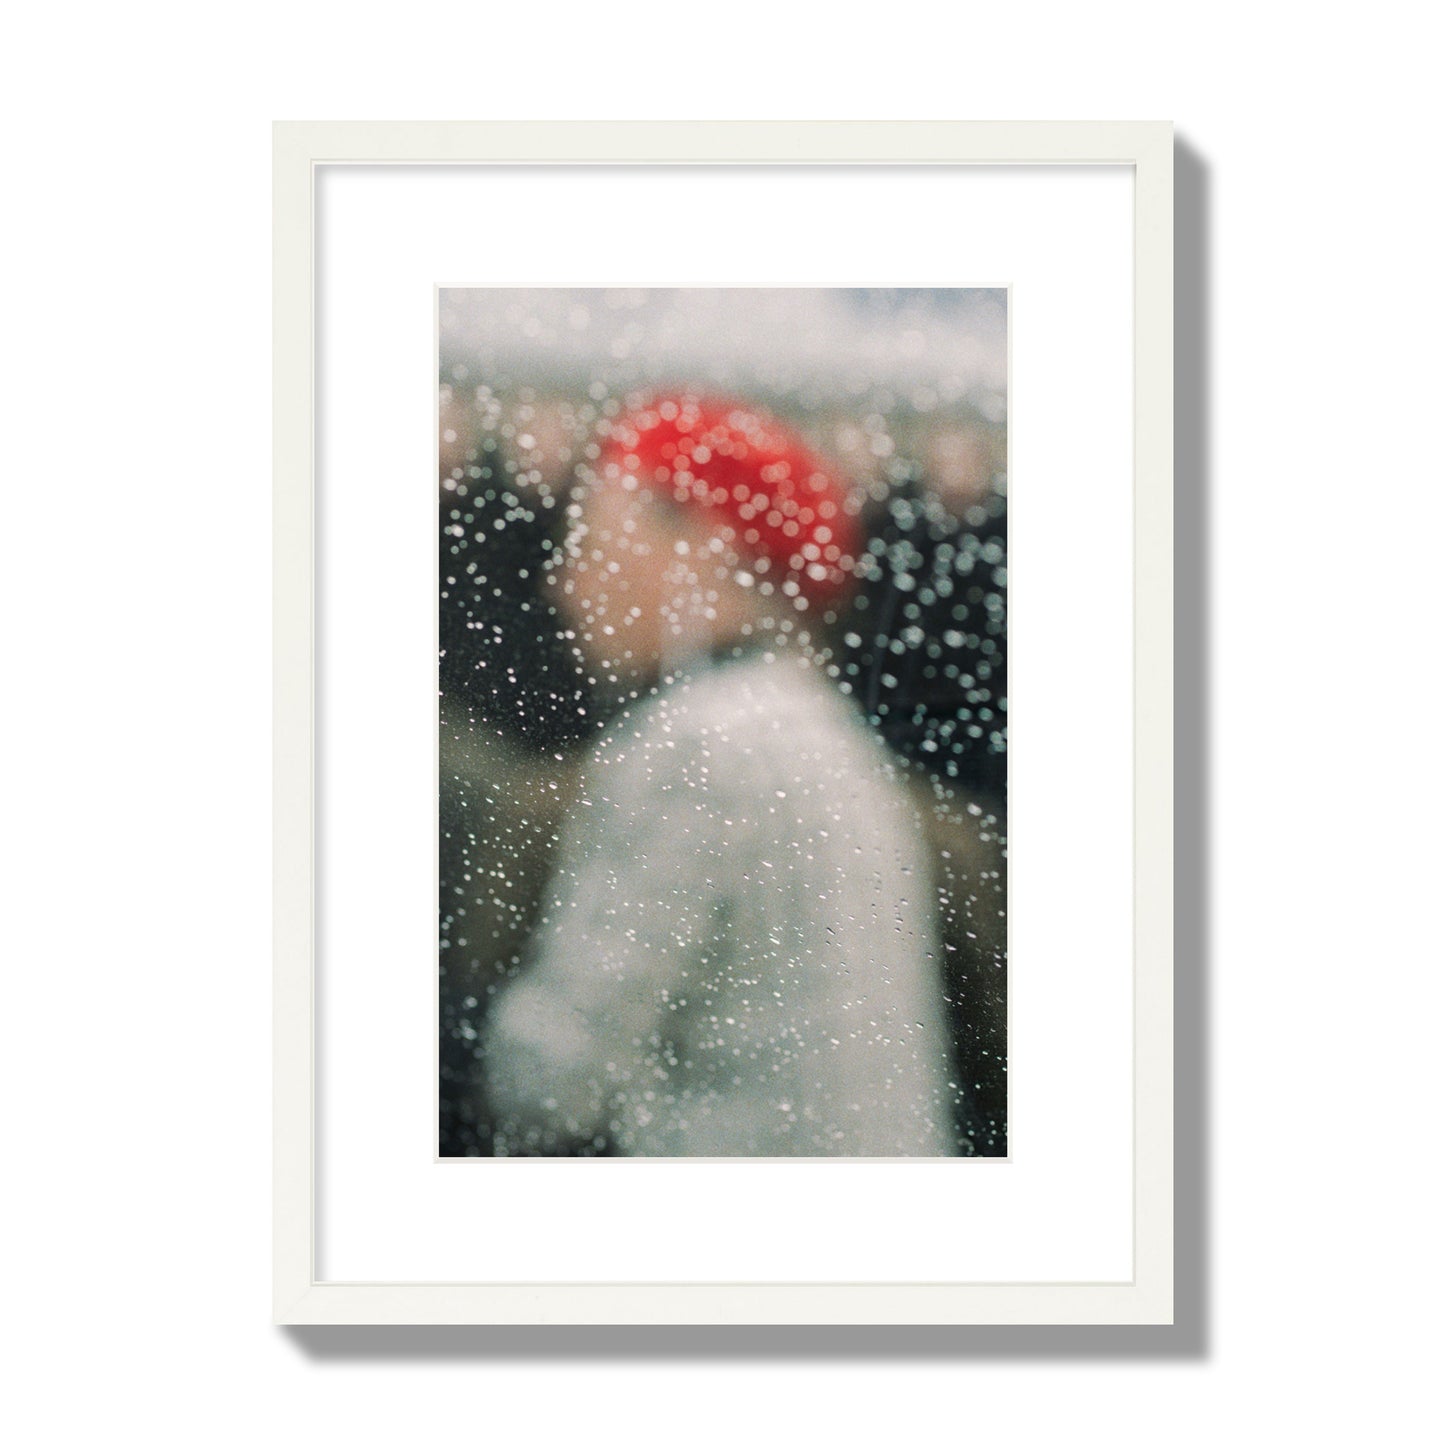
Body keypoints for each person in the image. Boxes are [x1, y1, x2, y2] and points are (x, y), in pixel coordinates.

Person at [482, 393, 961, 1155]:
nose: (563, 581)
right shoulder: (817, 729)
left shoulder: (698, 744)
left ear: (700, 546)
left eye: (589, 542)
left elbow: (554, 1080)